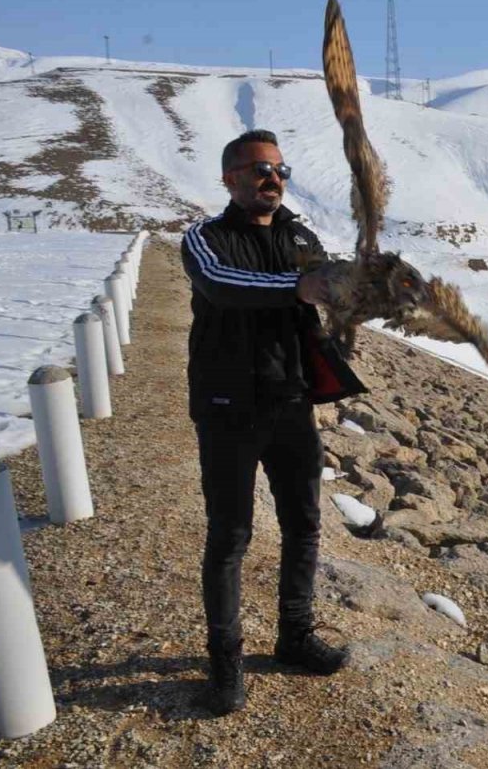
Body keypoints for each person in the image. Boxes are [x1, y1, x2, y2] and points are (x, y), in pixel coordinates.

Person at [180, 129, 365, 715]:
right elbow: (223, 287)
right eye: (259, 169)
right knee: (231, 535)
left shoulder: (300, 236)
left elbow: (327, 284)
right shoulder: (204, 239)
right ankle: (225, 664)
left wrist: (367, 283)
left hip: (290, 404)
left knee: (305, 525)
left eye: (280, 169)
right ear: (229, 178)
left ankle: (294, 636)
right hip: (228, 407)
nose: (272, 179)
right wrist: (299, 286)